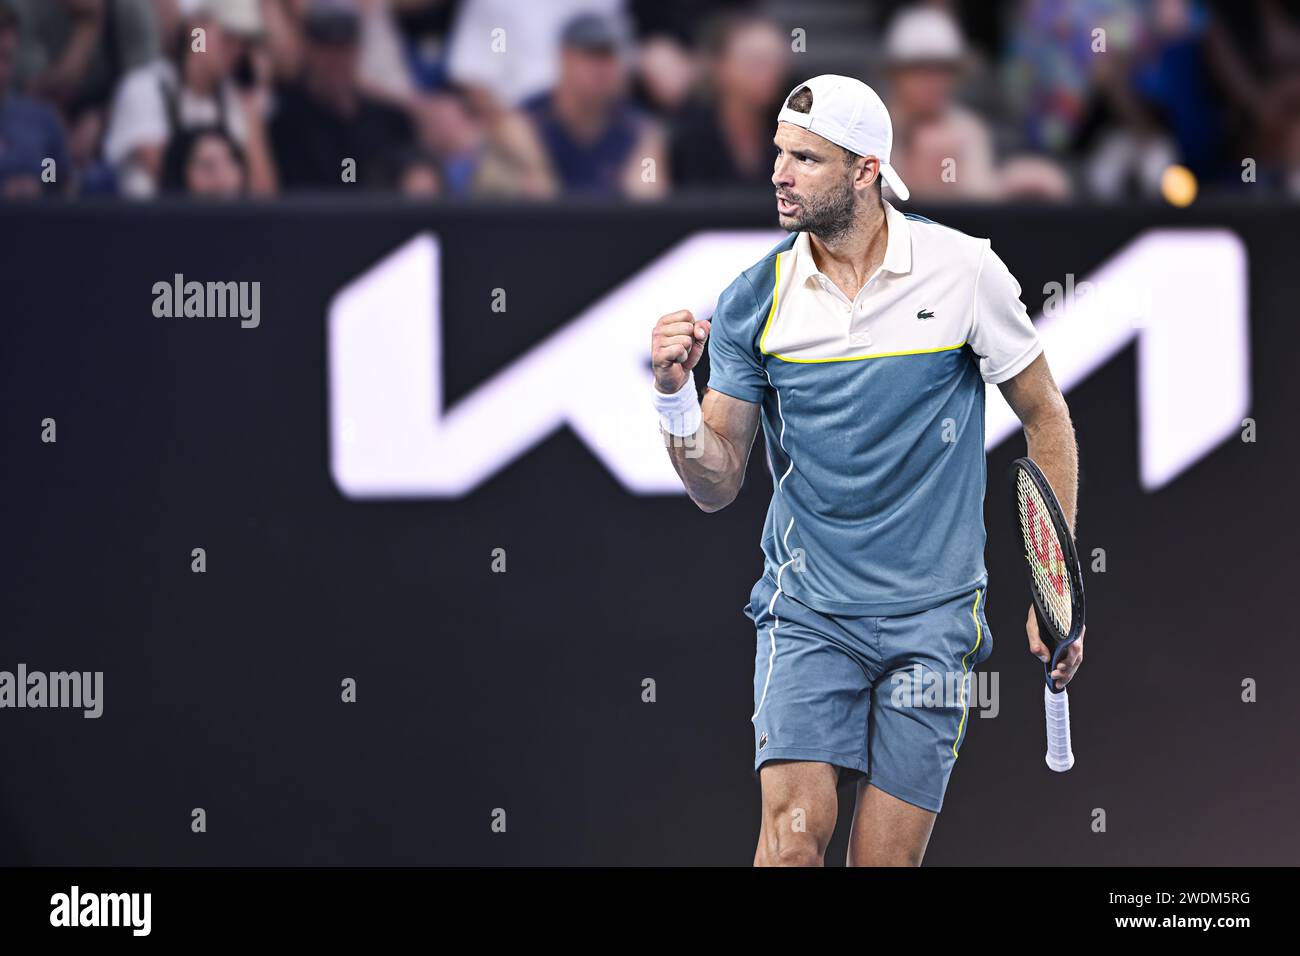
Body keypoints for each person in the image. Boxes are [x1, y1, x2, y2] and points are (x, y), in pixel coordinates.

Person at [649, 75, 1084, 866]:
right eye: (779, 153)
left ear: (865, 171)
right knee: (791, 845)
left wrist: (1052, 592)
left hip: (934, 622)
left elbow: (1047, 415)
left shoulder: (964, 271)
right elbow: (715, 484)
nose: (778, 172)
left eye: (805, 159)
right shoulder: (755, 301)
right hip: (809, 612)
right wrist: (676, 400)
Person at [269, 0, 415, 190]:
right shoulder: (285, 122)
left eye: (344, 48)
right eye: (327, 49)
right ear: (309, 50)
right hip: (311, 217)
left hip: (376, 217)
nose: (336, 60)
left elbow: (414, 175)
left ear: (357, 50)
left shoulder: (391, 121)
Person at [522, 11, 664, 198]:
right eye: (592, 55)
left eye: (611, 56)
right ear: (565, 58)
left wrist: (646, 179)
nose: (603, 68)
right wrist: (532, 164)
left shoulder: (640, 131)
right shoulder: (527, 122)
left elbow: (649, 197)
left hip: (612, 226)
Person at [668, 10, 786, 191]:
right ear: (721, 66)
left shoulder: (793, 133)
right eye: (756, 62)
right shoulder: (687, 139)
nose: (770, 73)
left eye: (775, 62)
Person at [0, 0, 71, 197]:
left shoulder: (41, 121)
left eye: (5, 57)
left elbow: (56, 178)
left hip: (36, 224)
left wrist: (41, 185)